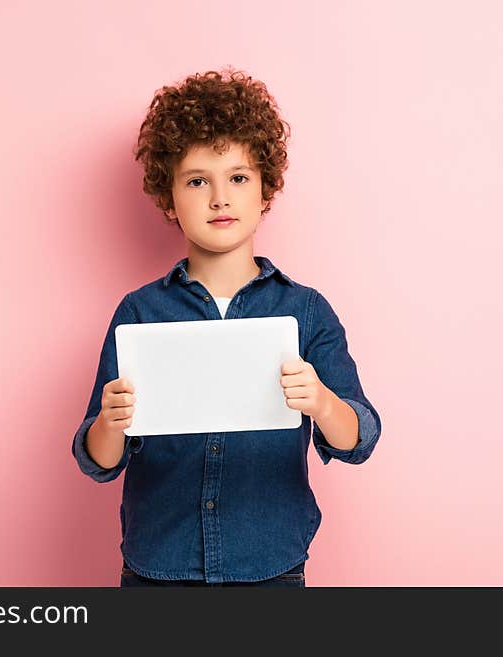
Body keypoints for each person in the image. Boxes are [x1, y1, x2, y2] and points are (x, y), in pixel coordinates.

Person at [71, 67, 382, 587]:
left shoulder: (306, 311)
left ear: (265, 192)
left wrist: (322, 402)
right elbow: (98, 460)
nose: (220, 197)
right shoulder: (139, 314)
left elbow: (359, 438)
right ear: (169, 198)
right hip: (157, 572)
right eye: (198, 181)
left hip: (270, 572)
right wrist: (111, 421)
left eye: (238, 178)